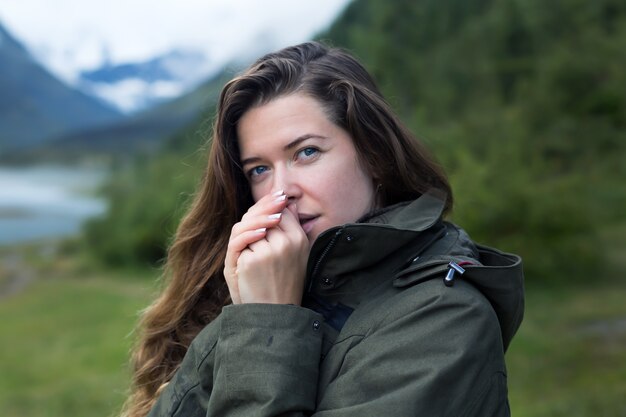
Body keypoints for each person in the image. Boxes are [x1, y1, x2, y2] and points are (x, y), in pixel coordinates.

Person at [122, 41, 524, 417]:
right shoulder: (266, 284)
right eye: (259, 169)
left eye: (306, 152)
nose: (281, 191)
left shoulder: (445, 320)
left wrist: (268, 320)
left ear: (373, 153)